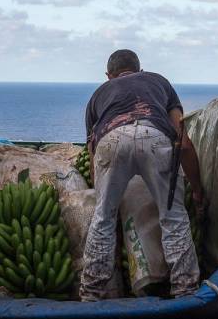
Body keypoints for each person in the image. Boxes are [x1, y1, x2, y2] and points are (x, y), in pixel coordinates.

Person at [80, 49, 206, 301]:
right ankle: (184, 291)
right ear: (140, 69)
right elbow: (183, 139)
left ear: (109, 76)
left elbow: (94, 152)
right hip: (155, 136)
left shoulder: (98, 95)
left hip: (111, 140)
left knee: (103, 219)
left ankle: (91, 294)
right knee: (173, 217)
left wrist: (103, 194)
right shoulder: (158, 82)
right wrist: (198, 189)